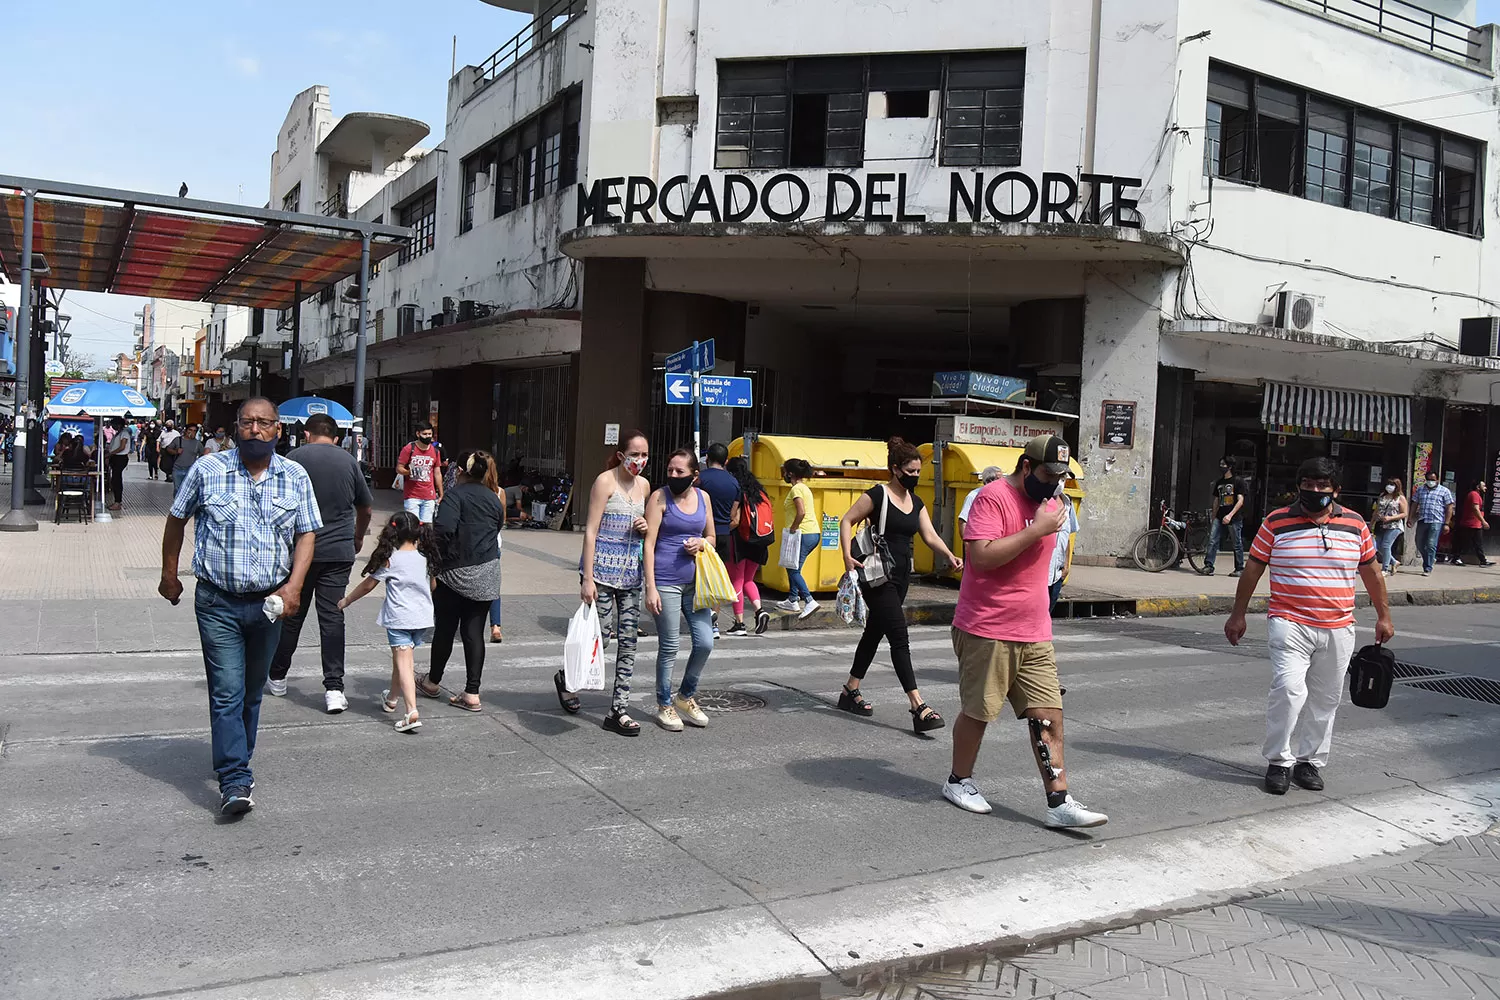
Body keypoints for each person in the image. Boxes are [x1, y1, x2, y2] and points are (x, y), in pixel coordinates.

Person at [159, 397, 322, 816]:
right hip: (218, 602)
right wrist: (169, 573)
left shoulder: (295, 476)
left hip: (269, 604)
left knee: (252, 692)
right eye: (247, 422)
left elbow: (307, 534)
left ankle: (237, 758)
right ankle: (234, 778)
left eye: (263, 423)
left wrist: (294, 586)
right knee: (227, 692)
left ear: (277, 430)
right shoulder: (208, 470)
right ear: (235, 427)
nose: (255, 429)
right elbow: (177, 519)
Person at [942, 435, 1106, 828]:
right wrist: (1036, 529)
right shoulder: (993, 498)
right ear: (1027, 467)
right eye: (1049, 475)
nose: (1055, 484)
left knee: (1049, 713)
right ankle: (958, 780)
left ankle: (1059, 801)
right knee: (979, 712)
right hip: (988, 626)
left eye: (1061, 477)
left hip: (1034, 630)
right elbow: (980, 558)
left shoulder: (1053, 502)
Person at [1226, 457, 1394, 796]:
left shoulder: (1356, 525)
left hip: (1339, 626)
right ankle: (1279, 762)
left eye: (1322, 485)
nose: (1314, 490)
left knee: (1326, 699)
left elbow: (1373, 574)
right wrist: (1238, 614)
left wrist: (1384, 616)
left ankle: (1310, 762)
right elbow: (1253, 570)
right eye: (1308, 483)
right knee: (1289, 691)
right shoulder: (1276, 521)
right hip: (1289, 622)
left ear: (1335, 490)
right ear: (1299, 485)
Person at [838, 437, 962, 734]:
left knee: (874, 633)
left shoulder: (915, 502)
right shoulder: (878, 495)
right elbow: (846, 520)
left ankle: (850, 691)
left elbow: (929, 535)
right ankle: (918, 706)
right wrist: (846, 556)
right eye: (911, 471)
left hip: (902, 575)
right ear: (895, 469)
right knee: (899, 636)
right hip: (878, 576)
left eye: (919, 471)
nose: (916, 476)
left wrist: (948, 554)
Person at [265, 414, 375, 711]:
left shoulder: (293, 458)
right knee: (332, 617)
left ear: (307, 434)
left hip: (300, 550)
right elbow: (365, 507)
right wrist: (358, 537)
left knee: (292, 614)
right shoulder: (349, 462)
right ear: (336, 437)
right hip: (338, 551)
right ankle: (334, 689)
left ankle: (277, 675)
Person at [561, 430, 652, 735]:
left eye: (644, 455)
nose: (640, 460)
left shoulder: (644, 486)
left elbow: (647, 533)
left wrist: (644, 527)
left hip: (631, 576)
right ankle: (568, 678)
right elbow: (590, 531)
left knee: (629, 642)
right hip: (600, 573)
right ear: (621, 455)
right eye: (635, 454)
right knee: (600, 639)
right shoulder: (605, 481)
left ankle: (618, 710)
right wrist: (587, 579)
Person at [416, 450, 502, 712]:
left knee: (445, 628)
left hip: (455, 572)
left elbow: (442, 530)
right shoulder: (494, 497)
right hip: (487, 572)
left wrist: (431, 561)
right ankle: (472, 693)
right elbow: (497, 527)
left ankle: (432, 682)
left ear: (461, 472)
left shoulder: (454, 496)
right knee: (473, 632)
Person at [338, 512, 437, 734]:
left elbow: (367, 585)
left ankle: (411, 711)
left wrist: (346, 601)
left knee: (405, 664)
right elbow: (432, 586)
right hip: (421, 619)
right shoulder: (425, 557)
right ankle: (392, 698)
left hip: (399, 618)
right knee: (401, 660)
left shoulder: (391, 558)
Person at [643, 448, 716, 732]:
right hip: (665, 580)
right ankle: (664, 704)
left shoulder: (703, 498)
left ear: (694, 475)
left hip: (696, 583)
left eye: (680, 472)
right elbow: (648, 544)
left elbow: (711, 536)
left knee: (705, 642)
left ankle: (685, 696)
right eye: (670, 470)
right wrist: (651, 587)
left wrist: (702, 543)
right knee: (670, 645)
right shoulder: (659, 497)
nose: (673, 475)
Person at [725, 455, 772, 637]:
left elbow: (735, 519)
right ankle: (760, 611)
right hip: (759, 541)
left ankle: (740, 624)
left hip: (739, 541)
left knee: (736, 580)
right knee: (749, 580)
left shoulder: (736, 490)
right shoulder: (759, 491)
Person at [698, 443, 741, 639]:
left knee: (697, 577)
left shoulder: (700, 479)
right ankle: (713, 624)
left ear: (707, 459)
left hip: (702, 532)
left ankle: (701, 618)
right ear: (725, 461)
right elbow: (734, 514)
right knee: (715, 578)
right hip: (724, 534)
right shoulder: (734, 483)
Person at [776, 457, 821, 618]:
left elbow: (801, 511)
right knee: (794, 566)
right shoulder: (804, 488)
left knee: (793, 569)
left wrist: (793, 529)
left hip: (803, 533)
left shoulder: (796, 490)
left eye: (785, 472)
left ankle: (809, 601)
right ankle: (792, 599)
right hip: (812, 533)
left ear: (791, 473)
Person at [475, 450, 508, 643]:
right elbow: (501, 521)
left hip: (474, 544)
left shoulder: (472, 491)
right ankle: (496, 626)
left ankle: (474, 625)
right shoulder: (499, 492)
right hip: (494, 543)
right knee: (493, 586)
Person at [1204, 457, 1247, 576]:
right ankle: (1208, 565)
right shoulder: (1219, 482)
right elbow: (1216, 501)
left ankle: (1239, 568)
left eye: (1223, 464)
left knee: (1236, 543)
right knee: (1212, 541)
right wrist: (1213, 517)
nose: (1221, 466)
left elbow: (1240, 500)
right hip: (1219, 516)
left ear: (1230, 466)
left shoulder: (1238, 481)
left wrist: (1230, 515)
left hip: (1234, 518)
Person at [397, 422, 444, 523]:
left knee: (426, 527)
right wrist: (408, 472)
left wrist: (441, 493)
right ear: (418, 434)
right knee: (413, 527)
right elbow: (399, 468)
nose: (428, 437)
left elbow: (437, 473)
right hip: (412, 496)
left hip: (429, 496)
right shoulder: (409, 449)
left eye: (429, 434)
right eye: (425, 434)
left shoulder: (435, 451)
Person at [1410, 471, 1455, 575]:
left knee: (1431, 544)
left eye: (1433, 480)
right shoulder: (1420, 490)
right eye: (1429, 479)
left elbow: (1449, 507)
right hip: (1423, 520)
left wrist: (1447, 523)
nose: (1431, 482)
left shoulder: (1444, 491)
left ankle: (1428, 567)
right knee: (1419, 543)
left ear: (1437, 480)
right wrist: (1410, 518)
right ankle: (1430, 558)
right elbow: (1415, 504)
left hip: (1436, 521)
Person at [1048, 497, 1080, 612]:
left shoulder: (1068, 504)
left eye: (1063, 478)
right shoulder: (1038, 501)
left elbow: (1066, 538)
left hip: (1057, 575)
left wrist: (1066, 567)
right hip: (1039, 575)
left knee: (1046, 617)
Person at [1371, 476, 1408, 576]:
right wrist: (1372, 523)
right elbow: (1376, 510)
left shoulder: (1400, 498)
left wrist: (1391, 518)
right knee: (1378, 545)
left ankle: (1385, 569)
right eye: (1389, 484)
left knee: (1386, 545)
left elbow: (1404, 513)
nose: (1389, 487)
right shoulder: (1382, 496)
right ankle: (1394, 562)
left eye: (1392, 485)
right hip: (1381, 524)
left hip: (1394, 526)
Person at [1452, 478, 1492, 567]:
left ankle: (1483, 560)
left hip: (1475, 524)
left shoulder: (1477, 495)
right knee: (1464, 542)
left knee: (1478, 543)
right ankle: (1456, 558)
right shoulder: (1474, 495)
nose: (1485, 487)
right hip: (1470, 524)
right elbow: (1475, 509)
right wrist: (1483, 521)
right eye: (1483, 485)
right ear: (1478, 487)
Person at [958, 466, 1003, 540]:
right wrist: (966, 543)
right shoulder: (973, 496)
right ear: (989, 481)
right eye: (999, 480)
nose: (1002, 483)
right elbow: (963, 521)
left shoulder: (1002, 496)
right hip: (978, 541)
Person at [169, 424, 205, 496]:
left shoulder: (198, 444)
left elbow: (203, 455)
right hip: (177, 469)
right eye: (190, 430)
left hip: (190, 470)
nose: (192, 432)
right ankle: (177, 504)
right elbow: (169, 449)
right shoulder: (178, 440)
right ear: (185, 431)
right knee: (177, 489)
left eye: (194, 431)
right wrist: (176, 451)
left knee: (189, 491)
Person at [104, 417, 131, 511]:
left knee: (117, 479)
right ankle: (116, 501)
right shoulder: (117, 434)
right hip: (115, 457)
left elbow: (122, 447)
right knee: (114, 479)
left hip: (120, 457)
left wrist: (111, 453)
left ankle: (118, 502)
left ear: (119, 425)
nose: (112, 426)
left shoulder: (124, 433)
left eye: (114, 424)